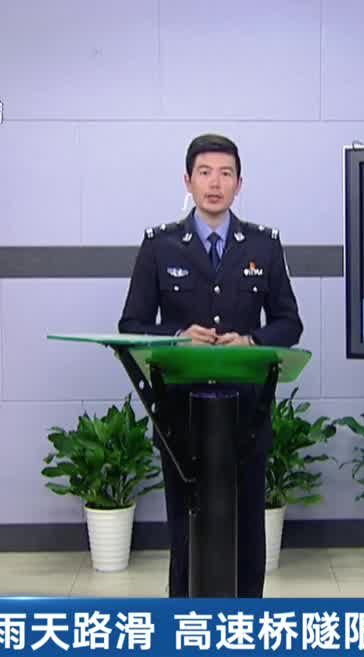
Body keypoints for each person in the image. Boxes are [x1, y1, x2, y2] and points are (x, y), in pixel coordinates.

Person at [118, 133, 302, 598]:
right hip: (181, 413)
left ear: (240, 183)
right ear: (188, 181)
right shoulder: (160, 246)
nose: (214, 184)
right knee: (186, 528)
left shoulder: (263, 245)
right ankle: (186, 623)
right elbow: (131, 324)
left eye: (225, 174)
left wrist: (252, 340)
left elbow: (290, 323)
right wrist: (177, 336)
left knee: (247, 530)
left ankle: (248, 622)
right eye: (204, 173)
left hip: (247, 413)